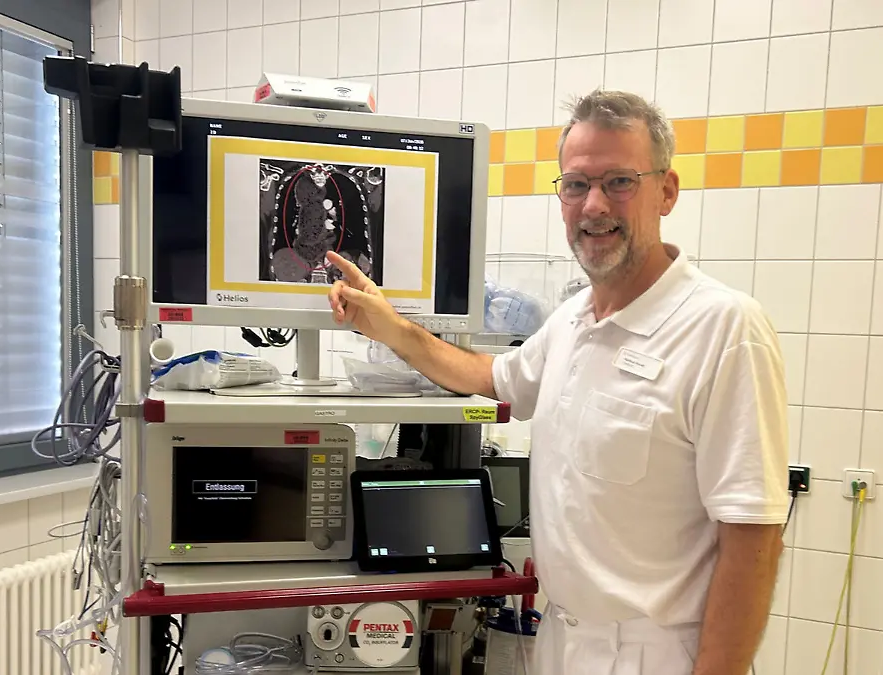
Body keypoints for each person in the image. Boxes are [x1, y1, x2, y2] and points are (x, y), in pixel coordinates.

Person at [326, 90, 789, 675]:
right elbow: (490, 378)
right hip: (562, 641)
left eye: (619, 181)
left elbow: (754, 542)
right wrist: (390, 326)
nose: (593, 205)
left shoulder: (723, 329)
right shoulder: (573, 322)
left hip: (659, 655)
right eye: (575, 185)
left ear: (666, 191)